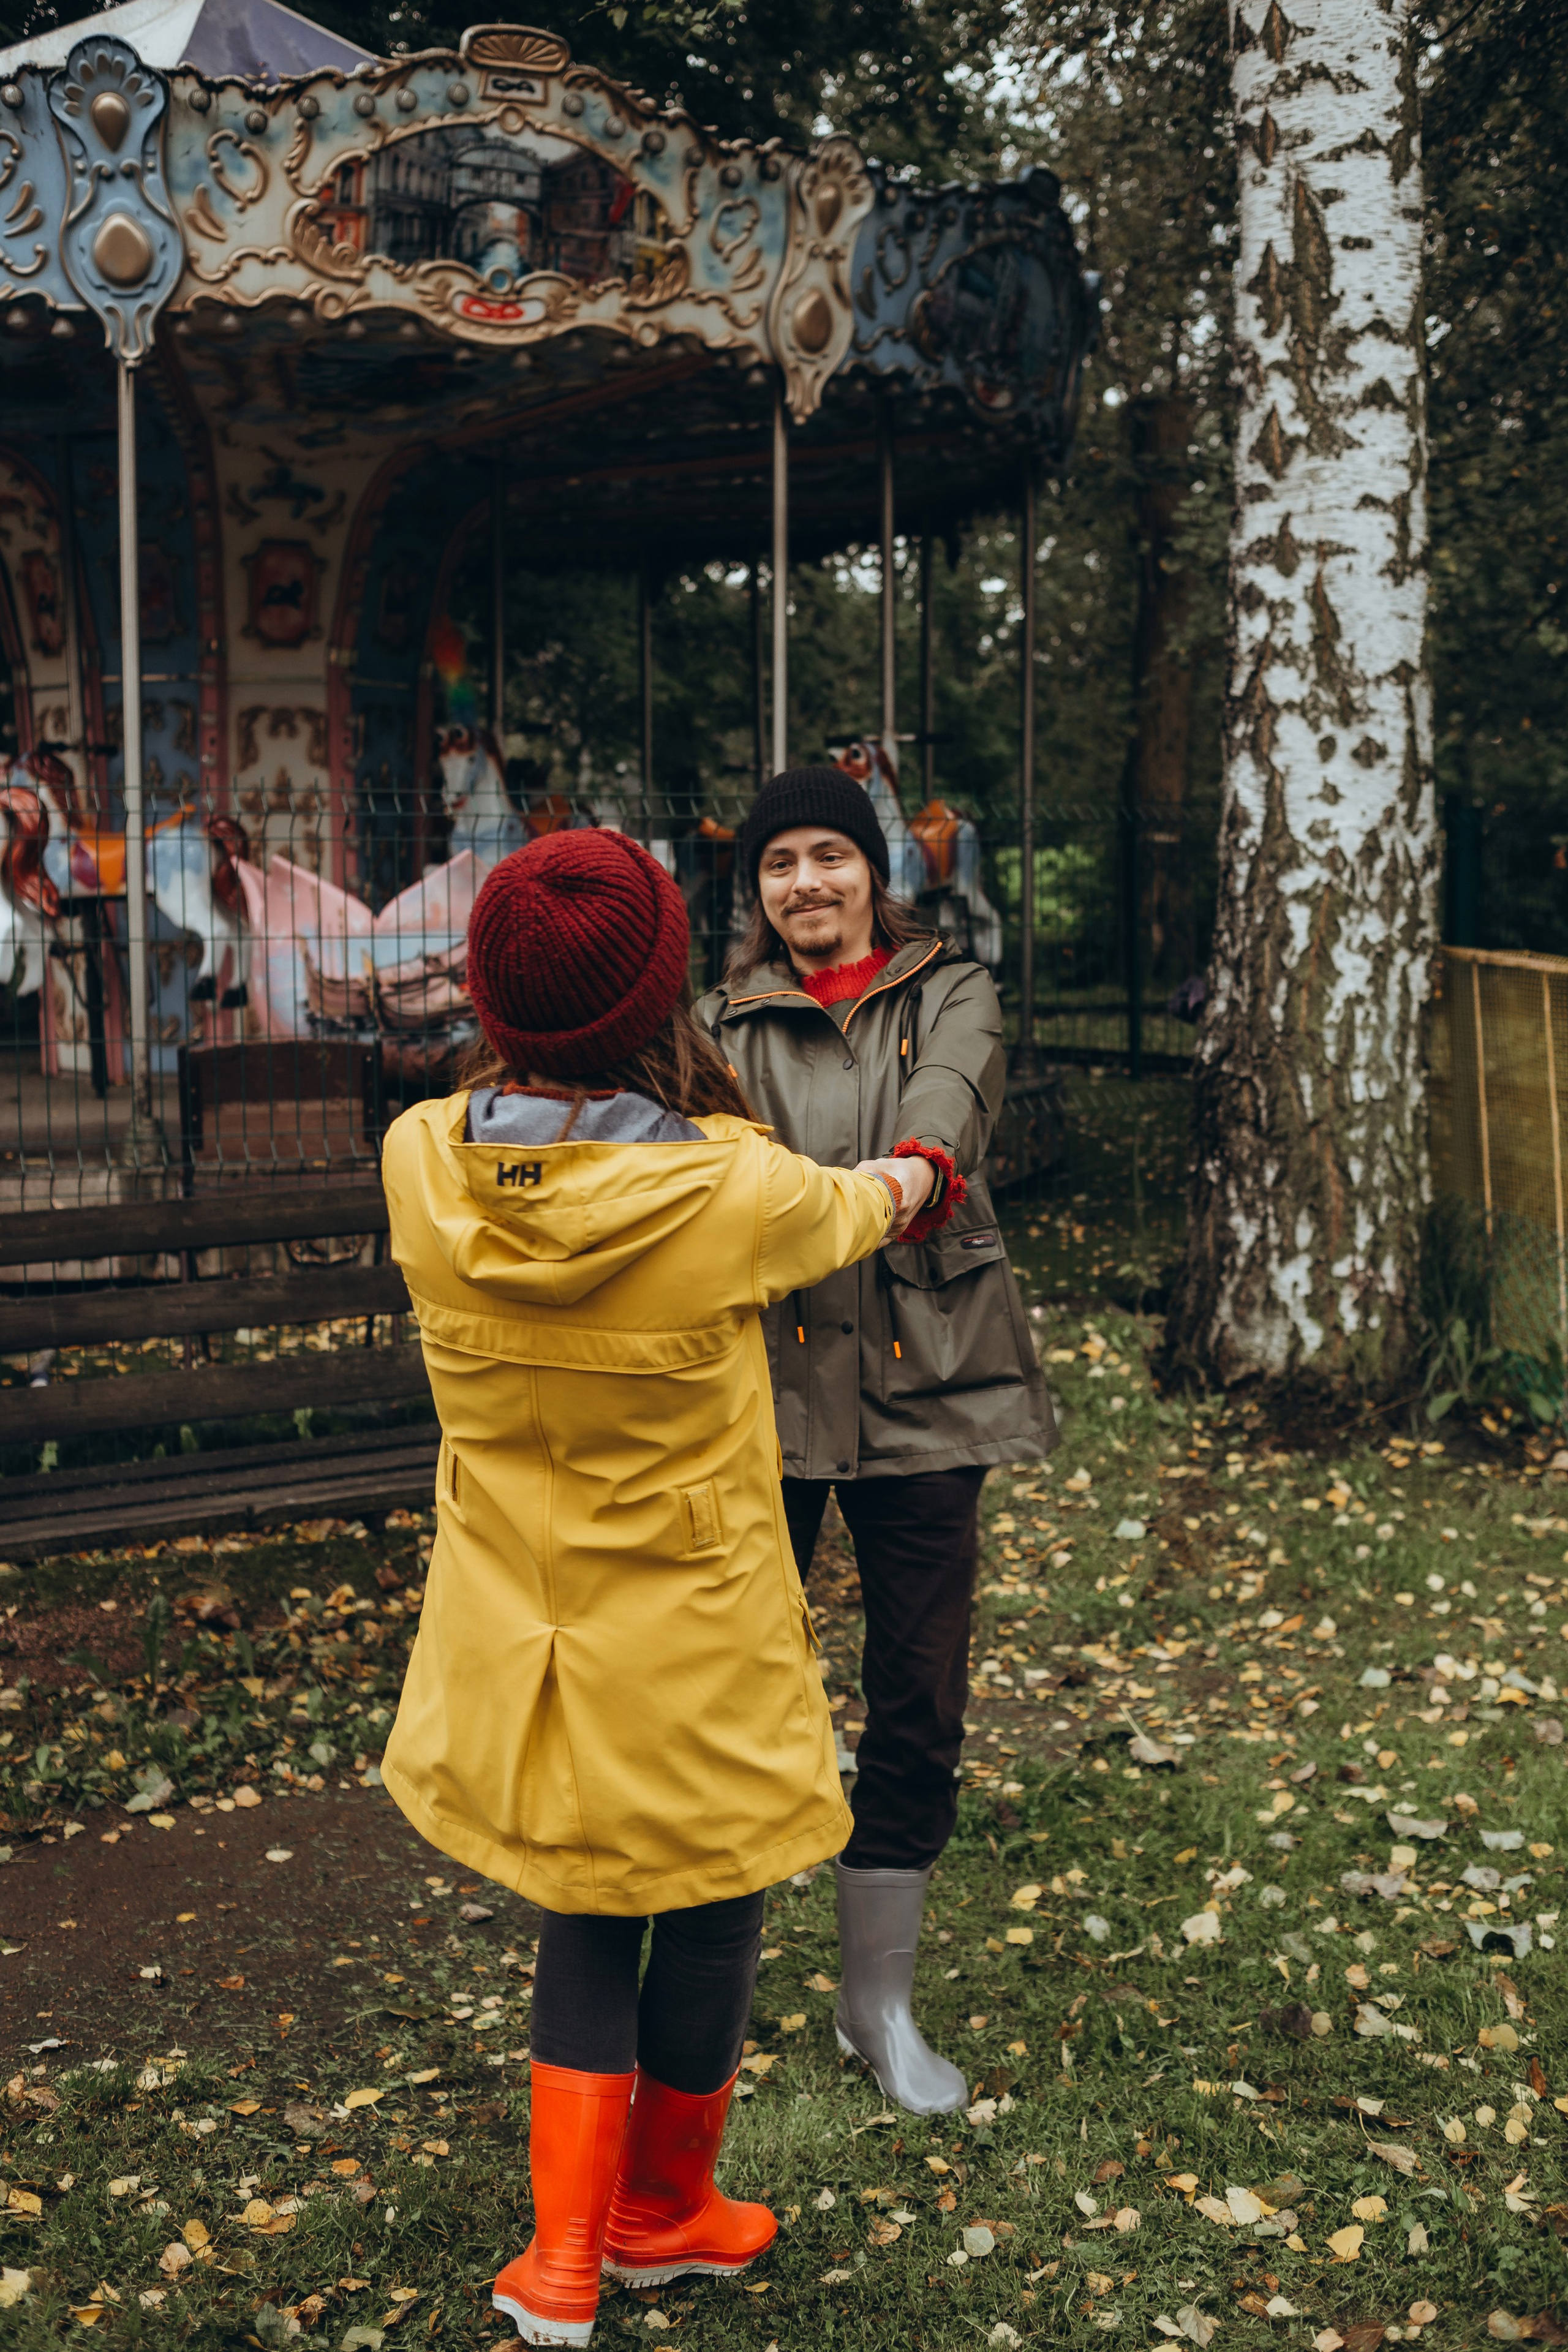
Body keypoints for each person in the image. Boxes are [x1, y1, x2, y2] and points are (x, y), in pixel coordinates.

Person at [379, 826, 934, 2350]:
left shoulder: (420, 1160)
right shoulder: (729, 1189)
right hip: (690, 1623)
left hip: (517, 1619)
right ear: (657, 996)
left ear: (493, 996)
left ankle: (558, 2261)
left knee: (582, 1900)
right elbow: (856, 1208)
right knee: (708, 1898)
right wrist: (915, 1172)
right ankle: (663, 2212)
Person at [697, 766, 1057, 2117]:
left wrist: (911, 1167)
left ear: (871, 871)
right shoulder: (716, 1024)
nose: (807, 883)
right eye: (779, 864)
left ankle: (878, 2005)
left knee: (918, 1692)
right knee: (732, 1689)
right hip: (764, 1392)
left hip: (928, 1381)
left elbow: (952, 1096)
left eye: (829, 857)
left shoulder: (947, 989)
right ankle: (706, 1992)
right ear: (757, 892)